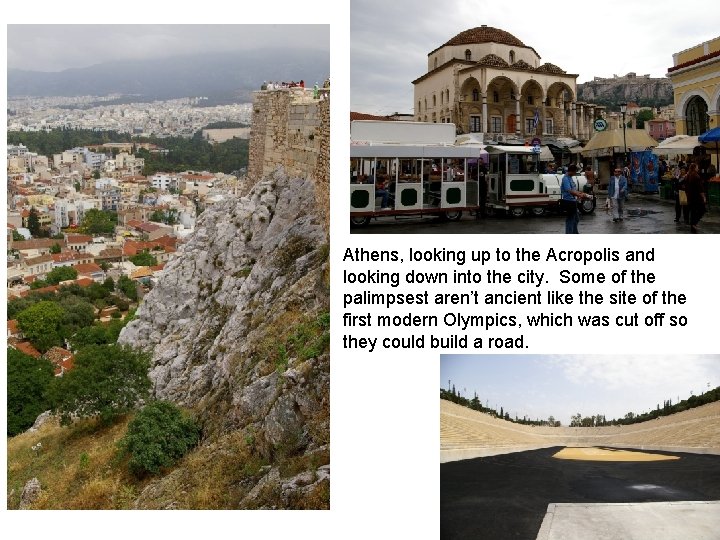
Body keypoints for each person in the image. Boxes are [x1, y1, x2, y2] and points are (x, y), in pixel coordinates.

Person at [560, 164, 591, 234]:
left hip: (573, 200)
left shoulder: (570, 177)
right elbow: (569, 190)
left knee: (576, 218)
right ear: (572, 171)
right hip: (568, 201)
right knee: (570, 219)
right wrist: (578, 194)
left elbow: (573, 189)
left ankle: (574, 232)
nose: (575, 174)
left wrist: (581, 193)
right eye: (575, 172)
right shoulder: (565, 178)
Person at [685, 162, 706, 233]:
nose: (698, 168)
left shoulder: (688, 175)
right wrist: (703, 197)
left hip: (690, 197)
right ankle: (694, 223)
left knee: (693, 211)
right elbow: (700, 188)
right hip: (697, 197)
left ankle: (693, 225)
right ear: (694, 168)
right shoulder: (696, 176)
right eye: (697, 167)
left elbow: (686, 186)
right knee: (702, 210)